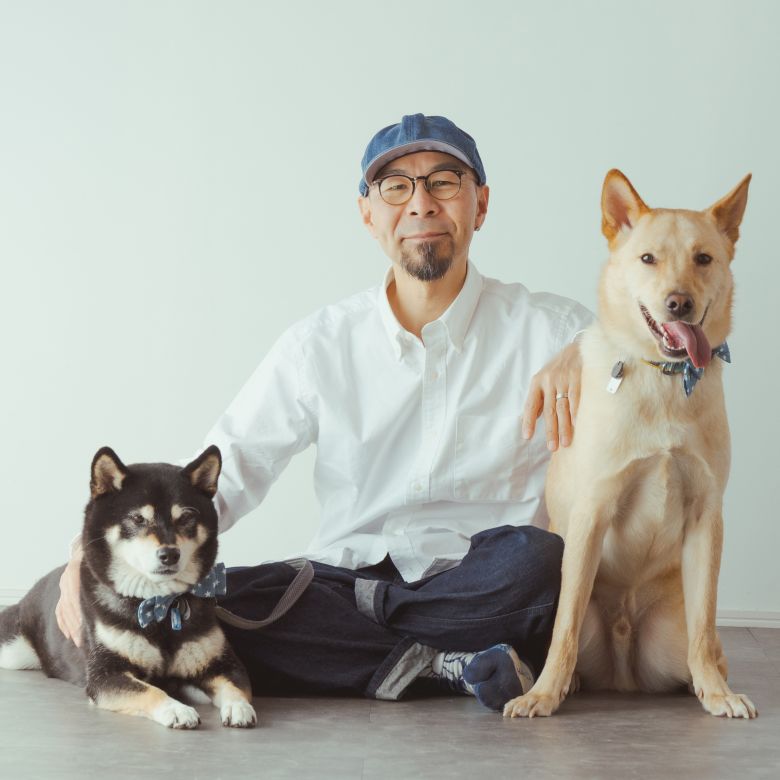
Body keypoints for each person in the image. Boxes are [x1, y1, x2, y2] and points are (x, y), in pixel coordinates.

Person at [56, 114, 593, 711]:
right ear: (368, 213)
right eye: (396, 187)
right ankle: (451, 664)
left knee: (540, 562)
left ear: (481, 203)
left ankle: (370, 648)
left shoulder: (557, 332)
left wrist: (597, 355)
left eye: (444, 182)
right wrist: (88, 554)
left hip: (483, 580)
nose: (421, 204)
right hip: (343, 581)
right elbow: (228, 466)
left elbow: (652, 375)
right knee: (217, 596)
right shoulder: (319, 343)